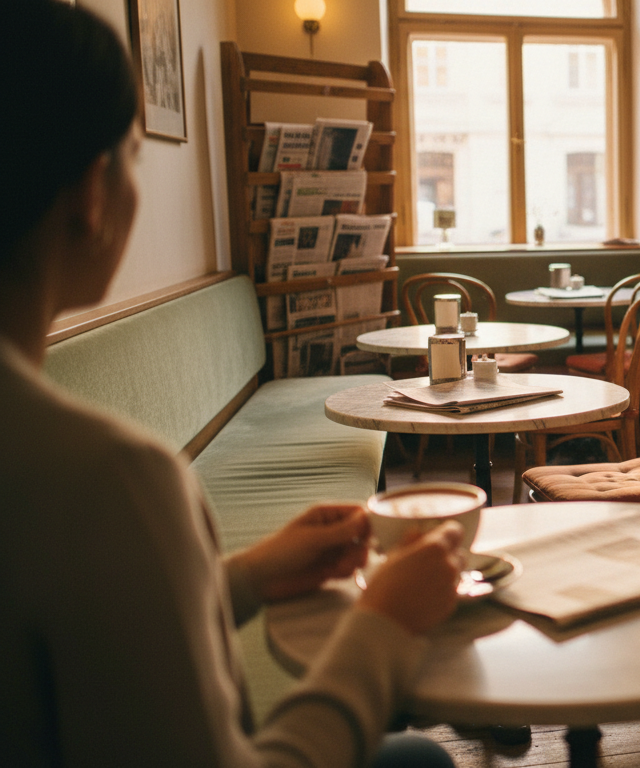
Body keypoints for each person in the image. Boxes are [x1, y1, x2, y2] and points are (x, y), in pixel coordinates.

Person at [0, 2, 462, 765]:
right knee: (423, 758)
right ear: (91, 193)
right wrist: (380, 626)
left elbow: (72, 623)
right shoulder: (111, 481)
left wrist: (246, 576)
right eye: (134, 159)